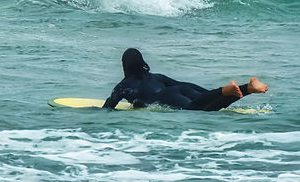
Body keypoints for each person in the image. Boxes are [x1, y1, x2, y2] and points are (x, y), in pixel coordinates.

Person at [103, 48, 268, 111]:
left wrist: (88, 113)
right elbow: (182, 85)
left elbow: (109, 107)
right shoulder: (156, 76)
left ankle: (225, 90)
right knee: (205, 102)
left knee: (199, 108)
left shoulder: (123, 87)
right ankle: (248, 87)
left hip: (166, 97)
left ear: (125, 65)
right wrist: (209, 92)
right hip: (179, 90)